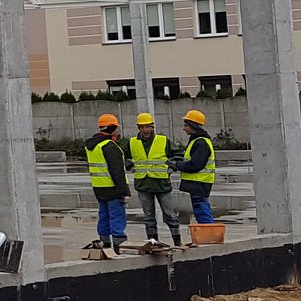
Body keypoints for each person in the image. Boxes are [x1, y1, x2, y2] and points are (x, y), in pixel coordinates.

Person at [128, 112, 178, 249]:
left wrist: (170, 169)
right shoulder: (132, 142)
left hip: (161, 184)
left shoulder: (163, 140)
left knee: (169, 215)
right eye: (142, 127)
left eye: (147, 127)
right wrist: (130, 165)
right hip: (143, 184)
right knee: (149, 217)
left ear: (152, 127)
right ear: (138, 128)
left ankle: (177, 242)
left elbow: (178, 155)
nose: (145, 130)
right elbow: (125, 157)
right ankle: (153, 243)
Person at [84, 112, 130, 255]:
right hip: (112, 188)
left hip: (99, 188)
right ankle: (119, 245)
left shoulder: (91, 146)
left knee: (103, 215)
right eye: (116, 127)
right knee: (116, 216)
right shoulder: (109, 146)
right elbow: (117, 172)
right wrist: (124, 191)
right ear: (111, 128)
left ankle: (105, 243)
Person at [176, 109, 217, 225]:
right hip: (198, 184)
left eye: (186, 125)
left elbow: (195, 165)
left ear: (193, 125)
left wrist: (177, 165)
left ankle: (209, 235)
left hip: (200, 184)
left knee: (202, 212)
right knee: (201, 210)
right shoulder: (197, 141)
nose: (184, 128)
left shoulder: (201, 142)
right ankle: (207, 235)